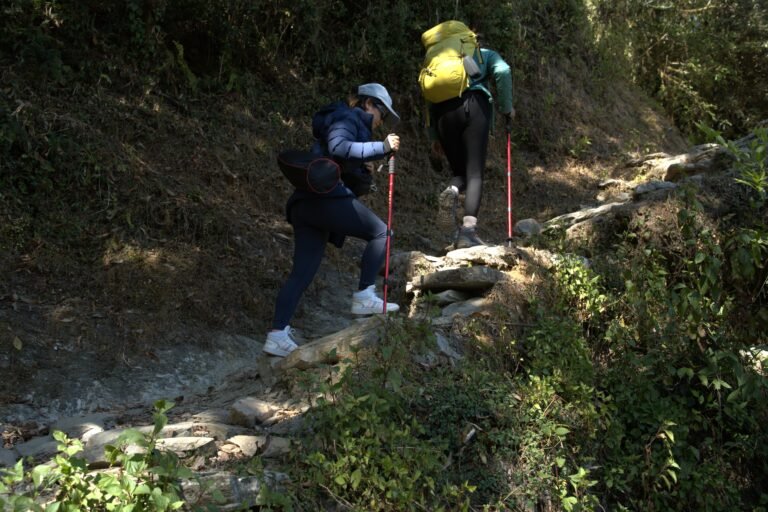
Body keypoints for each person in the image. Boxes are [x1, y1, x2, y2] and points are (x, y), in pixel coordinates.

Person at [264, 83, 402, 357]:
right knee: (381, 233)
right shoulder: (348, 117)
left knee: (302, 273)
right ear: (368, 104)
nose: (380, 121)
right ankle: (364, 295)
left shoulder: (344, 119)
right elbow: (340, 146)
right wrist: (380, 147)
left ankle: (276, 335)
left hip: (306, 203)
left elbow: (338, 155)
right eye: (381, 113)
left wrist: (364, 165)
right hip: (323, 200)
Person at [428, 31, 514, 248]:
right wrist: (507, 108)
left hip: (442, 114)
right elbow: (503, 71)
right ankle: (467, 232)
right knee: (474, 172)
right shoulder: (484, 55)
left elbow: (430, 99)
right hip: (473, 107)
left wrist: (434, 137)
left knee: (460, 173)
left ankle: (452, 191)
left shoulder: (441, 63)